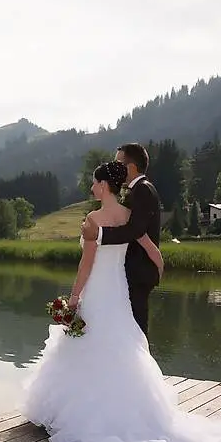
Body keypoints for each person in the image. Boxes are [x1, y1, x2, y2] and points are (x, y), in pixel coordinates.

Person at [19, 161, 221, 442]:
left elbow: (85, 266)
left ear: (103, 185)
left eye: (93, 183)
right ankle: (135, 412)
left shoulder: (93, 220)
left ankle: (81, 412)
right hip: (118, 292)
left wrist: (72, 301)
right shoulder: (129, 217)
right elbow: (153, 251)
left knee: (88, 343)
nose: (90, 188)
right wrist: (158, 270)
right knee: (121, 346)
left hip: (99, 290)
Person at [81, 143, 159, 337]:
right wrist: (158, 260)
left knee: (136, 331)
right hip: (133, 270)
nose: (115, 168)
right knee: (129, 329)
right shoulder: (137, 190)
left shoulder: (142, 190)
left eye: (118, 163)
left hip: (138, 271)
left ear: (130, 167)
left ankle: (138, 366)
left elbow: (136, 230)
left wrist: (99, 234)